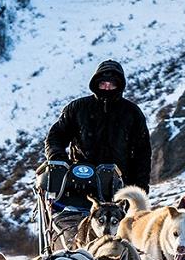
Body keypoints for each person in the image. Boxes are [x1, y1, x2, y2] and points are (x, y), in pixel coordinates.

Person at [44, 59, 152, 248]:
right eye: (103, 83)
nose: (107, 87)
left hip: (116, 185)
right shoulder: (77, 108)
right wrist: (58, 159)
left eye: (112, 84)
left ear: (120, 85)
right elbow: (56, 136)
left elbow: (142, 154)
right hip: (79, 182)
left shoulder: (132, 113)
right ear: (96, 83)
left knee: (113, 240)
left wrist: (139, 189)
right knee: (77, 234)